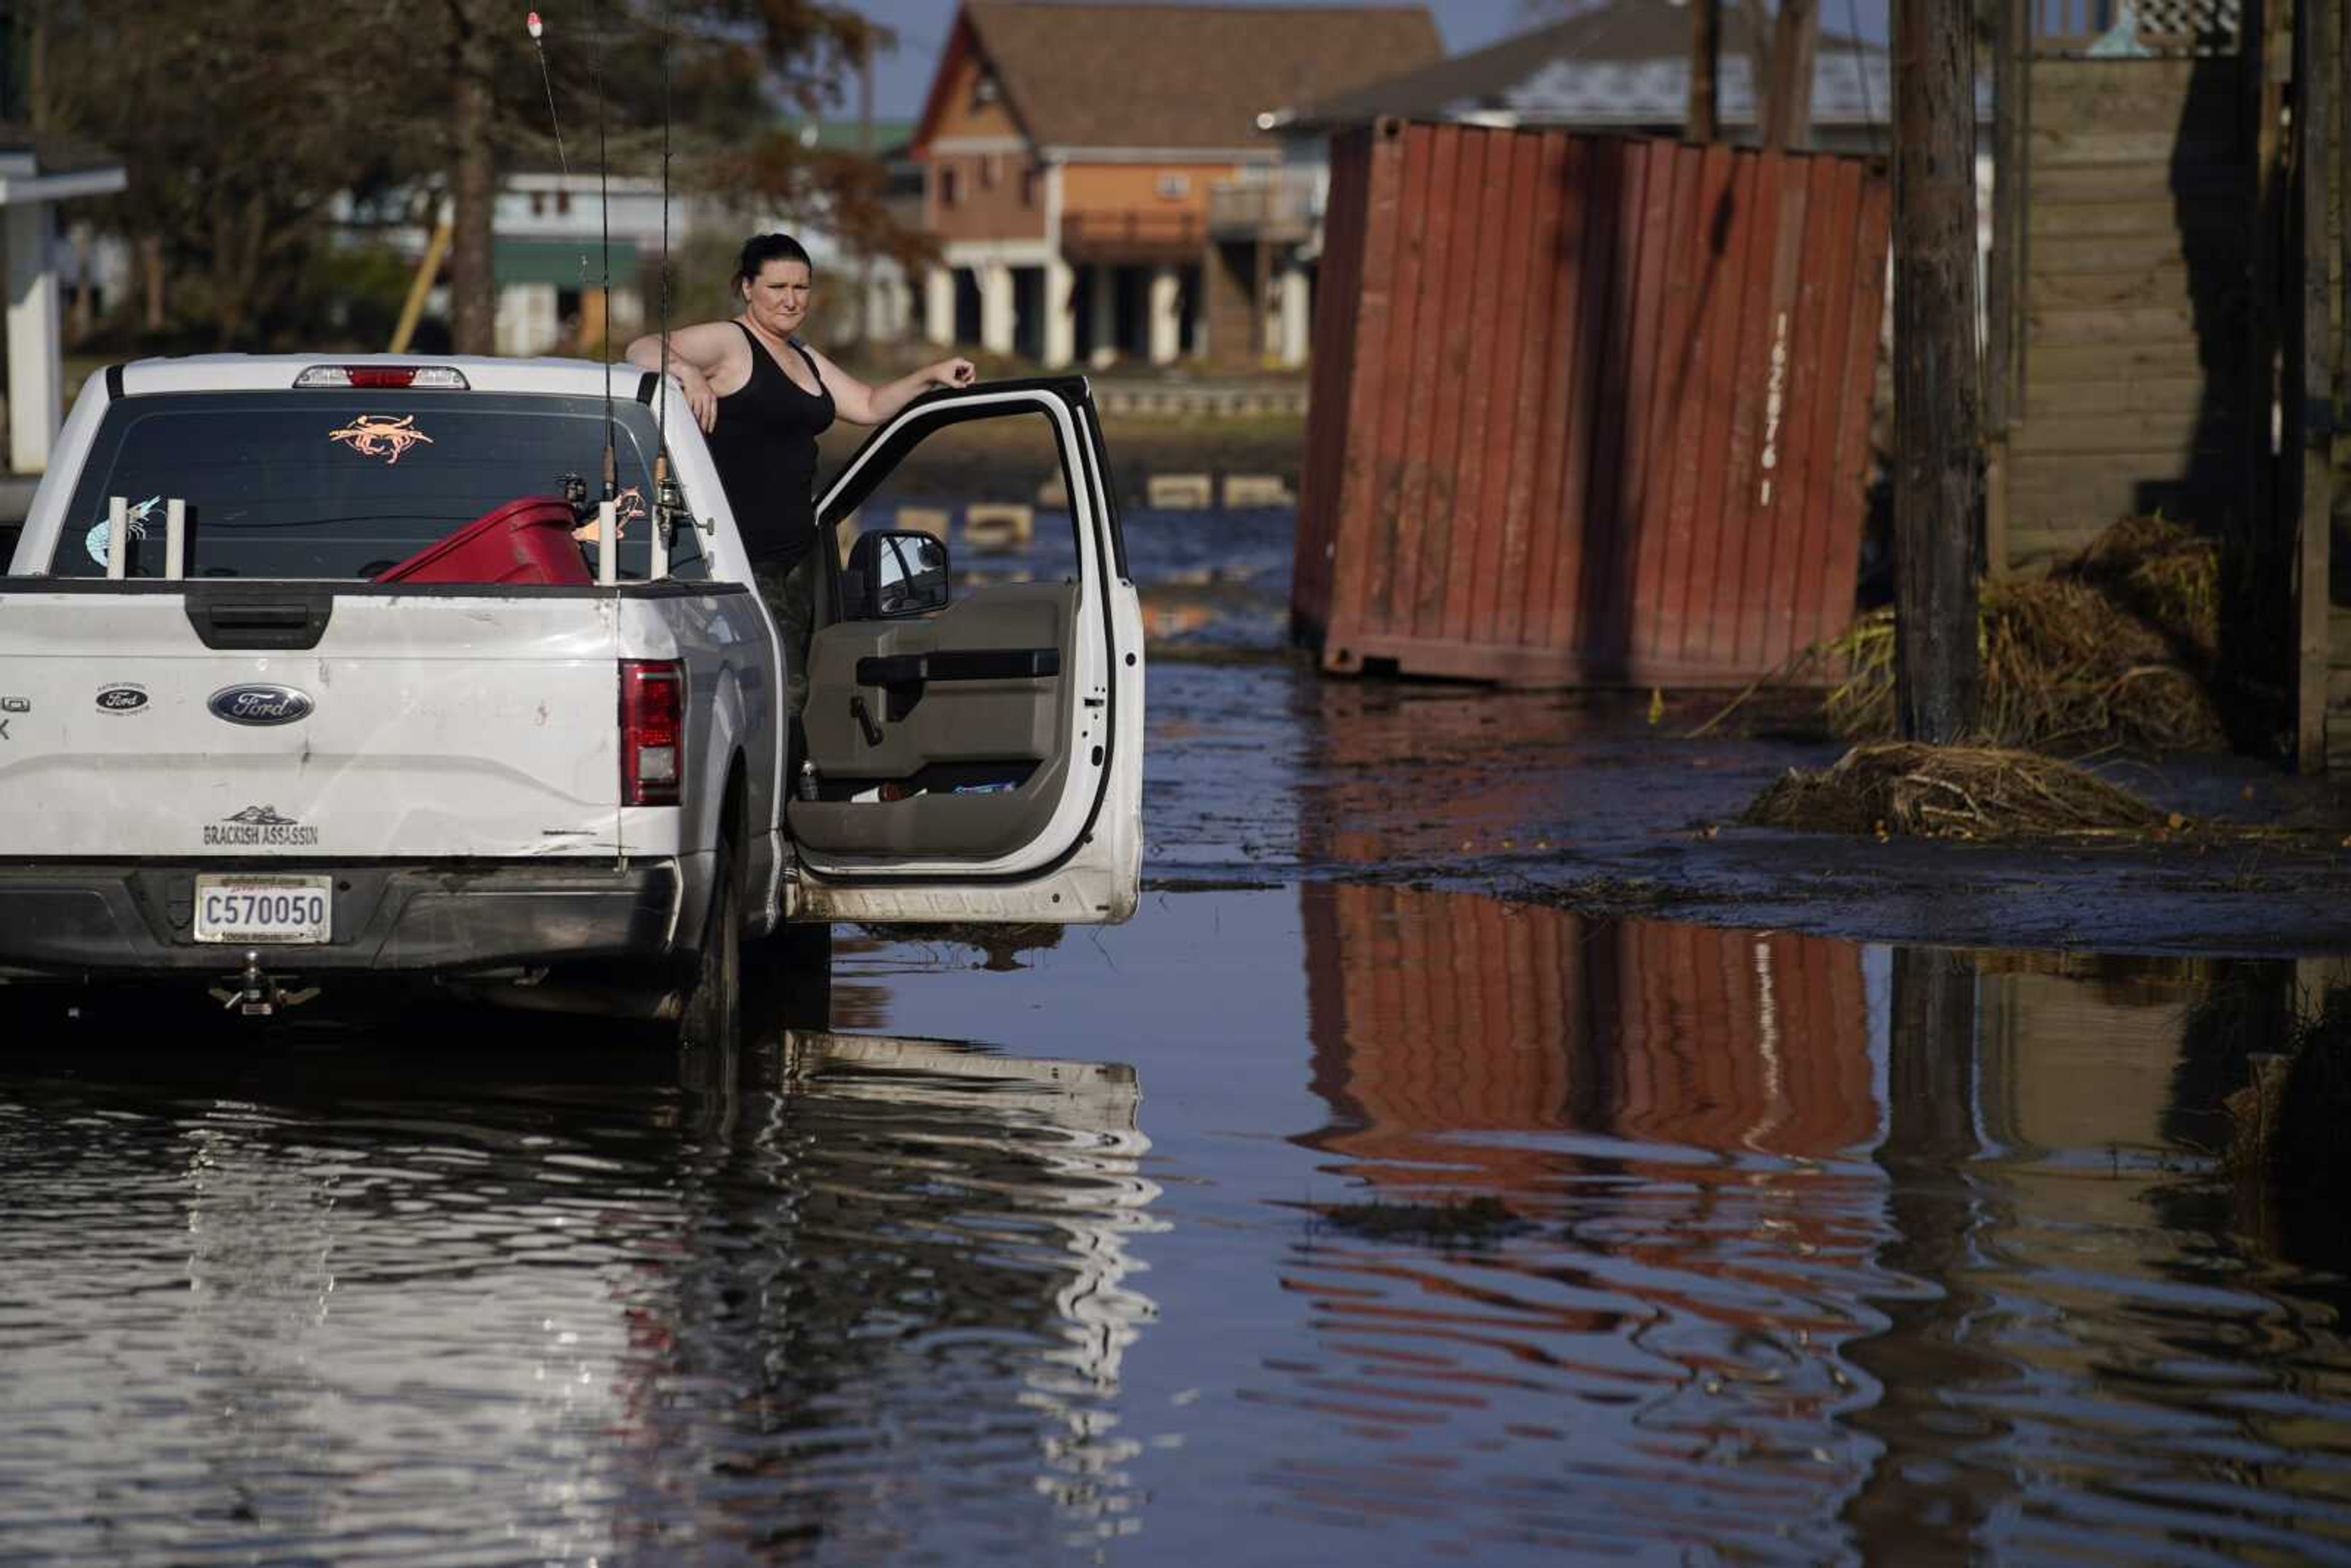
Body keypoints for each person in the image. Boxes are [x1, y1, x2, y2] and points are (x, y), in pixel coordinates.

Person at [625, 233, 975, 710]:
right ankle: (771, 783)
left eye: (801, 287)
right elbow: (642, 348)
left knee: (809, 685)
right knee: (781, 691)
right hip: (743, 556)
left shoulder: (803, 355)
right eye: (778, 286)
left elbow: (869, 405)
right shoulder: (733, 341)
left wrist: (930, 375)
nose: (791, 299)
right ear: (748, 288)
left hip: (799, 555)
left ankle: (798, 777)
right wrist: (686, 373)